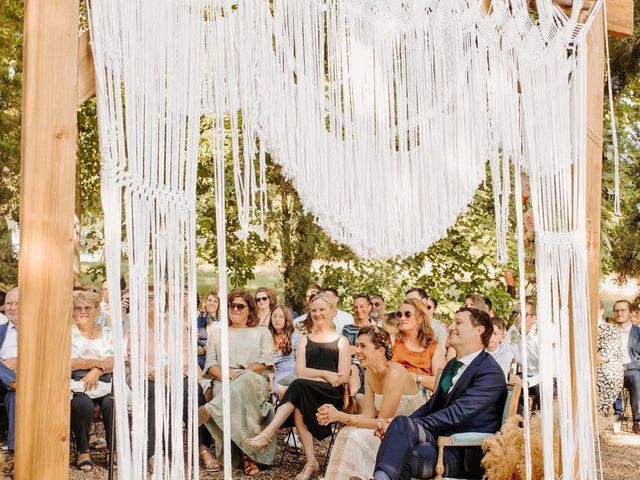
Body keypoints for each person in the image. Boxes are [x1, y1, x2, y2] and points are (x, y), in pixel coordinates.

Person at [371, 307, 507, 480]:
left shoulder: (490, 374)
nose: (450, 327)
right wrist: (402, 427)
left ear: (478, 330)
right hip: (438, 438)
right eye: (452, 322)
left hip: (460, 452)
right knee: (399, 429)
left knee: (399, 449)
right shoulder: (452, 365)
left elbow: (454, 415)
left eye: (458, 323)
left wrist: (408, 428)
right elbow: (432, 404)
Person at [245, 292, 351, 480]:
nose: (317, 314)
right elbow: (300, 371)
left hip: (331, 394)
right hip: (308, 389)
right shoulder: (305, 339)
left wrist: (318, 378)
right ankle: (311, 462)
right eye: (313, 310)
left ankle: (269, 433)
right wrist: (326, 374)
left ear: (333, 311)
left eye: (322, 310)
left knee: (299, 386)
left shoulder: (342, 341)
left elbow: (342, 377)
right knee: (299, 396)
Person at [321, 326, 423, 480]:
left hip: (408, 437)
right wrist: (336, 415)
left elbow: (380, 422)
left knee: (357, 437)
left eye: (363, 346)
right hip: (385, 431)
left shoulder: (395, 373)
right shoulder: (369, 373)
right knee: (346, 433)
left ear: (380, 351)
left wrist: (341, 416)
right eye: (357, 345)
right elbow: (368, 415)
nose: (357, 351)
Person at [198, 289, 276, 475]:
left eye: (240, 306)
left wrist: (241, 375)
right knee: (238, 393)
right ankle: (248, 457)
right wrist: (230, 376)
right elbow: (211, 366)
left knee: (246, 380)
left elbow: (265, 361)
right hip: (224, 380)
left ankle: (212, 409)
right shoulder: (217, 334)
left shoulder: (262, 332)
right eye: (231, 305)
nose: (235, 309)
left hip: (255, 380)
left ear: (250, 309)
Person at [69, 291, 114, 471]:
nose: (83, 311)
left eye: (88, 308)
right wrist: (97, 362)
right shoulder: (68, 333)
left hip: (103, 382)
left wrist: (96, 370)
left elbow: (112, 360)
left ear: (97, 310)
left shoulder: (108, 333)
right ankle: (83, 451)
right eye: (79, 308)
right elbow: (69, 363)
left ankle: (112, 450)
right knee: (82, 405)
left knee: (112, 404)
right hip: (78, 383)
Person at [392, 298, 446, 394]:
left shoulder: (432, 347)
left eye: (407, 314)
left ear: (420, 319)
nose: (402, 318)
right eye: (399, 314)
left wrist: (414, 377)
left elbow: (442, 383)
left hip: (421, 398)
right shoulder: (392, 342)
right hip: (394, 392)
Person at [611, 300, 640, 434]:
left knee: (636, 378)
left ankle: (637, 421)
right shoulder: (609, 332)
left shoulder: (638, 333)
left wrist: (627, 366)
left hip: (632, 371)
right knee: (609, 375)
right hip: (611, 370)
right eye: (616, 310)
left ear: (630, 313)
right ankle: (617, 414)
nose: (619, 313)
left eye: (623, 310)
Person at [595, 300, 624, 416]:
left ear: (601, 311)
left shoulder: (611, 330)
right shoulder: (581, 330)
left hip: (607, 372)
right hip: (587, 368)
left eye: (594, 308)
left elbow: (603, 358)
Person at [269, 304, 301, 400]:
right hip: (278, 373)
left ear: (286, 319)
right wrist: (270, 379)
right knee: (281, 389)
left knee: (292, 388)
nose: (277, 320)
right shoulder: (267, 337)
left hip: (295, 372)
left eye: (280, 316)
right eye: (274, 316)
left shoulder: (295, 337)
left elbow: (301, 361)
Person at [0, 287, 18, 454]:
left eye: (17, 304)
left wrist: (20, 361)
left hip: (29, 377)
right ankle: (15, 383)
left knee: (15, 396)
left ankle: (16, 454)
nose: (12, 307)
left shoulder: (37, 331)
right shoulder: (0, 330)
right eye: (9, 303)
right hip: (2, 380)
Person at [405, 288, 447, 356]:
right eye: (407, 301)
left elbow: (441, 353)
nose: (409, 304)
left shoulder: (439, 328)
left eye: (413, 300)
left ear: (424, 301)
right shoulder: (403, 323)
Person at [197, 291, 219, 369]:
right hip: (196, 353)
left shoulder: (221, 322)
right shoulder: (199, 316)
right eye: (209, 300)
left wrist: (204, 350)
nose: (212, 303)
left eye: (215, 301)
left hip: (213, 356)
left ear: (218, 305)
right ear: (205, 302)